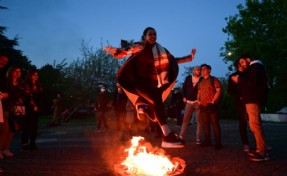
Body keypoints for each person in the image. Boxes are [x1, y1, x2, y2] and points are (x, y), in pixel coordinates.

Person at [104, 27, 196, 148]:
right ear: (145, 36)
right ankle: (167, 136)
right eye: (150, 34)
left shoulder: (161, 50)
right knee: (157, 101)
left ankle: (143, 109)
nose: (153, 36)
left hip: (155, 84)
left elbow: (173, 60)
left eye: (154, 34)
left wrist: (189, 58)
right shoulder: (141, 46)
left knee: (154, 116)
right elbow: (128, 50)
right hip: (140, 83)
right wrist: (116, 51)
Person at [231, 55, 270, 162]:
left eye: (242, 62)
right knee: (255, 124)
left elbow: (252, 83)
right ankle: (261, 148)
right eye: (240, 64)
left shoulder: (255, 66)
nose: (242, 65)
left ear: (248, 59)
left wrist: (238, 79)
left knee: (254, 124)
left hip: (253, 99)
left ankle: (262, 152)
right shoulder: (255, 68)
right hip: (252, 100)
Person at [197, 64, 222, 150]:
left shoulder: (214, 79)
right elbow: (199, 92)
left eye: (204, 69)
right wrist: (198, 100)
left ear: (209, 70)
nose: (202, 71)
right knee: (205, 124)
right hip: (203, 106)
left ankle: (218, 143)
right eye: (201, 69)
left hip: (211, 105)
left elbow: (219, 90)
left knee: (215, 124)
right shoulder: (200, 81)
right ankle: (208, 141)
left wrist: (213, 101)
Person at [227, 60, 250, 152]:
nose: (245, 64)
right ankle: (245, 144)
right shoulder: (233, 76)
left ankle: (261, 144)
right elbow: (230, 90)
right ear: (238, 65)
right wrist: (239, 97)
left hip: (252, 101)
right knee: (243, 123)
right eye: (242, 63)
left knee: (256, 123)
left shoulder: (249, 74)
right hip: (241, 103)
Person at [21, 68, 44, 150]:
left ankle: (32, 142)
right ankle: (24, 143)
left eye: (37, 75)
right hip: (29, 107)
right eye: (34, 75)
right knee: (27, 125)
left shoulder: (38, 84)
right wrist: (33, 104)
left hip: (37, 107)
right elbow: (28, 95)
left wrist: (39, 105)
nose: (36, 76)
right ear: (30, 75)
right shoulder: (27, 84)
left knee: (34, 126)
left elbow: (41, 95)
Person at [179, 66, 202, 144]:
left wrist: (201, 100)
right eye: (197, 70)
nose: (199, 72)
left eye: (199, 70)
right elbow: (184, 88)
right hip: (189, 102)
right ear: (193, 71)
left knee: (199, 121)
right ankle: (181, 136)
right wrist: (184, 97)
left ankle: (198, 138)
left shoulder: (202, 79)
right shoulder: (188, 78)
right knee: (185, 120)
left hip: (197, 102)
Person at [0, 54, 10, 159]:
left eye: (5, 61)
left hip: (3, 103)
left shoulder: (3, 74)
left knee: (5, 127)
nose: (4, 62)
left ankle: (4, 148)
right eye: (2, 60)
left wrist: (6, 94)